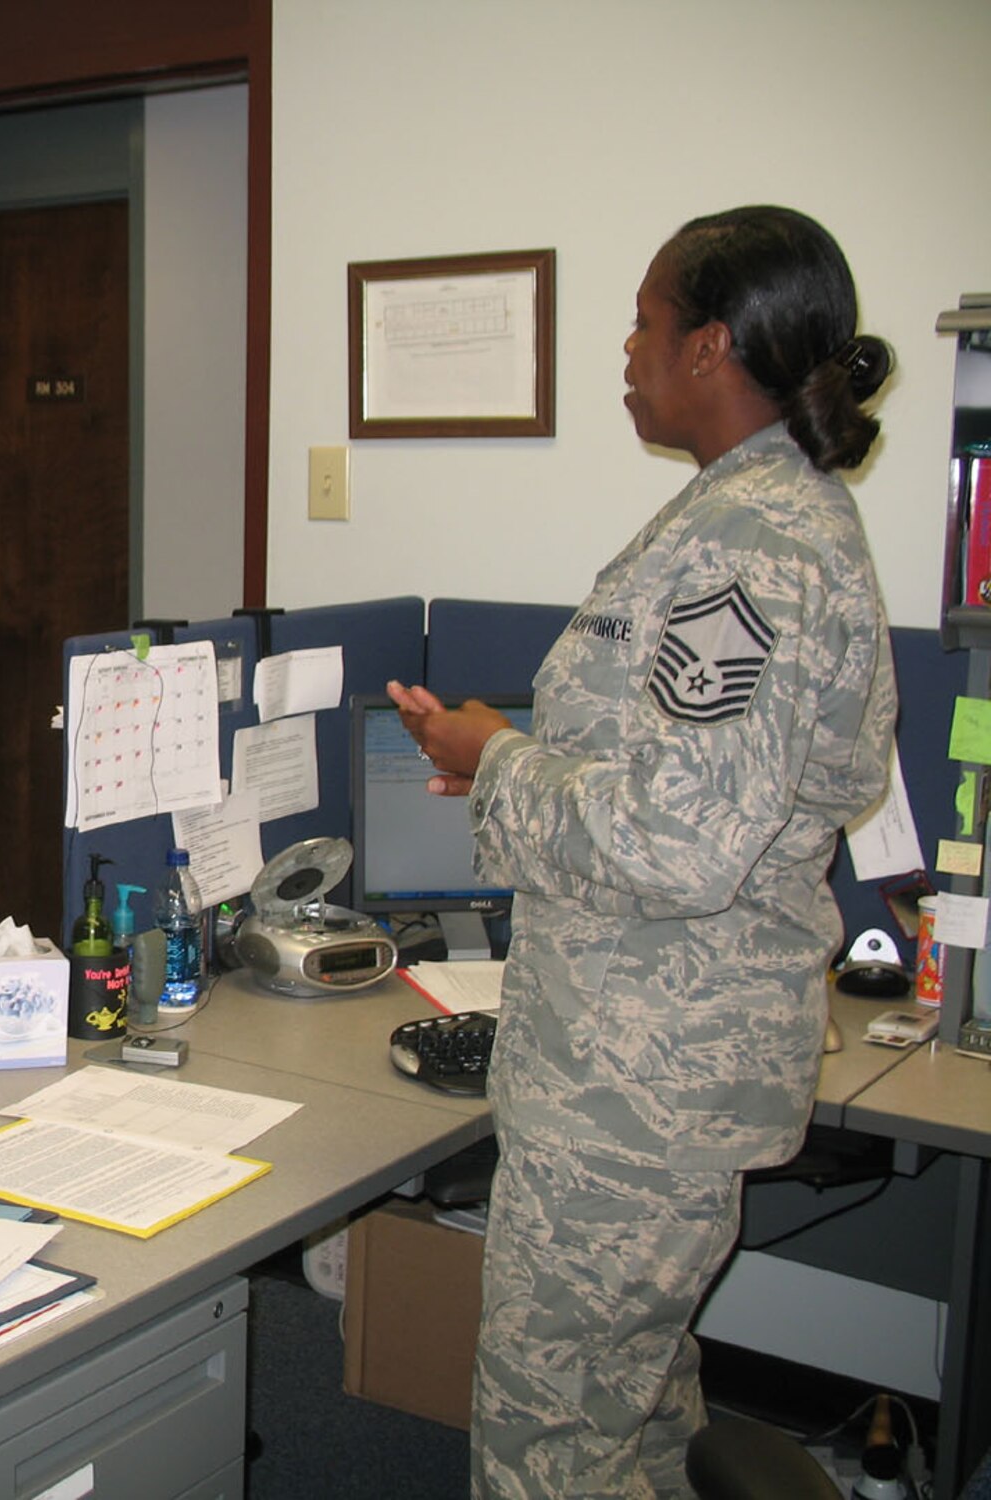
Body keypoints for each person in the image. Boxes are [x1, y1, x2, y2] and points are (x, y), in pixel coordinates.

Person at [387, 205, 898, 1499]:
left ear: (712, 343)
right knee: (635, 1406)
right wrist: (518, 760)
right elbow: (782, 785)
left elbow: (677, 845)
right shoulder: (768, 514)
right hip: (652, 1068)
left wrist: (497, 753)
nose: (626, 348)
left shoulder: (750, 544)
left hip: (637, 1088)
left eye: (644, 321)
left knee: (548, 1447)